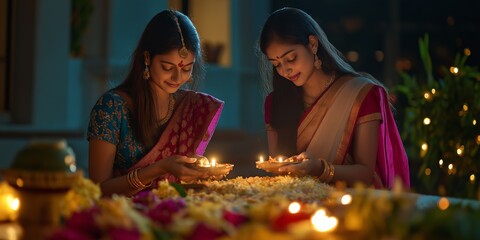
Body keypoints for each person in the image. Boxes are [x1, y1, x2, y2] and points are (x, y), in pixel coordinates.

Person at [257, 7, 410, 189]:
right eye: (276, 64)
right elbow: (278, 170)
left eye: (291, 58)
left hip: (351, 204)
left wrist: (319, 168)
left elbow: (365, 173)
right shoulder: (276, 103)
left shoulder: (360, 94)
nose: (284, 70)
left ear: (313, 44)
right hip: (295, 203)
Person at [87, 10, 224, 197]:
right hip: (121, 216)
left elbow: (180, 184)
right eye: (167, 67)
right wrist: (159, 168)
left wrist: (195, 171)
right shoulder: (111, 108)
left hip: (176, 214)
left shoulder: (190, 107)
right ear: (147, 58)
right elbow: (98, 189)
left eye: (186, 69)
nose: (177, 77)